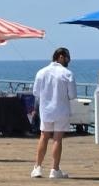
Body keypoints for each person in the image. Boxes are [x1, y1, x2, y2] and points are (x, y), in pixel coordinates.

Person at [31, 47, 77, 179]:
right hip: (61, 109)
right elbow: (72, 95)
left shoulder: (41, 72)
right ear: (61, 57)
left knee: (44, 136)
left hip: (46, 110)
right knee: (57, 138)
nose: (69, 60)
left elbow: (36, 92)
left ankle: (38, 168)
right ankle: (54, 170)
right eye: (68, 57)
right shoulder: (67, 73)